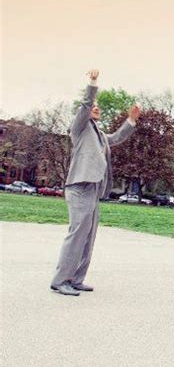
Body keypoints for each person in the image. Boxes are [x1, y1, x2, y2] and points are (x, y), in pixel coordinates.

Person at [51, 70, 140, 296]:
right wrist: (92, 83)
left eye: (98, 106)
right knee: (77, 233)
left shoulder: (99, 134)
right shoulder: (80, 128)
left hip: (93, 189)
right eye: (94, 106)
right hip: (79, 187)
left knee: (88, 236)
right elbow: (85, 104)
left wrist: (131, 120)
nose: (96, 108)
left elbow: (117, 138)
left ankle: (76, 279)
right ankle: (61, 280)